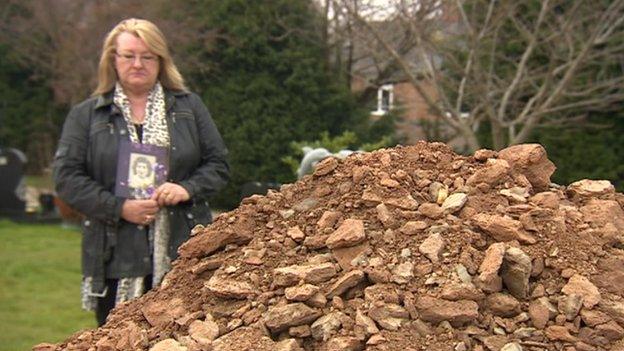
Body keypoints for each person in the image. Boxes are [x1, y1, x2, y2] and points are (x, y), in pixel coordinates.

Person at [53, 18, 229, 326]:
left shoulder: (190, 108)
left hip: (183, 255)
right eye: (129, 55)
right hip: (114, 257)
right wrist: (119, 207)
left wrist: (186, 188)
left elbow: (218, 165)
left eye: (148, 56)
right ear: (113, 59)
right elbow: (66, 177)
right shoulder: (87, 116)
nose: (138, 63)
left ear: (161, 61)